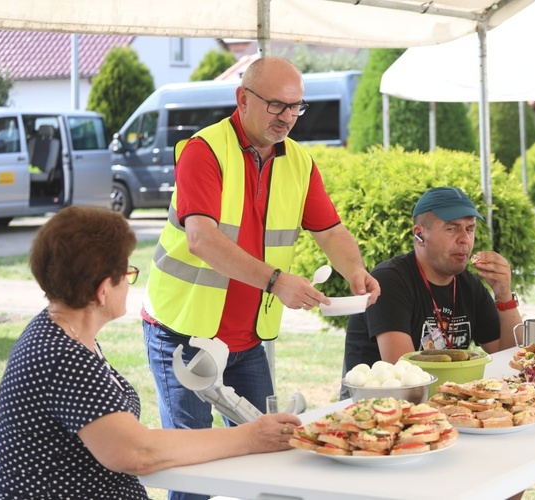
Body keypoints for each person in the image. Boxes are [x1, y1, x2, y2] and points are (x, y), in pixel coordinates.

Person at [142, 56, 379, 499]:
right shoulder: (203, 151)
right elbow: (201, 240)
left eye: (296, 107)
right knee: (195, 472)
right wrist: (276, 281)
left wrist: (356, 270)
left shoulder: (300, 162)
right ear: (243, 98)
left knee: (271, 461)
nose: (288, 117)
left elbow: (330, 229)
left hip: (247, 341)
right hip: (181, 333)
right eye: (276, 105)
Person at [0, 207, 301, 499]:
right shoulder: (61, 356)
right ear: (102, 290)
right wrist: (249, 437)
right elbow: (137, 452)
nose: (129, 281)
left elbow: (132, 441)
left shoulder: (62, 332)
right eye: (127, 273)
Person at [343, 186, 521, 382]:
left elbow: (511, 360)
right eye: (451, 228)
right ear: (420, 235)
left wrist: (505, 296)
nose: (464, 239)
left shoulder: (469, 286)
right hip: (377, 405)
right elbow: (404, 376)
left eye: (470, 229)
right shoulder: (389, 280)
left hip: (440, 398)